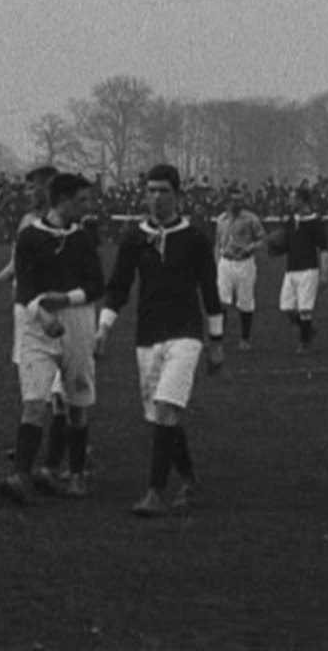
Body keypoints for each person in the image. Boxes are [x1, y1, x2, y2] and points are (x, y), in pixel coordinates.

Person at [96, 165, 224, 518]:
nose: (156, 197)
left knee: (167, 407)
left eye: (163, 191)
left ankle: (154, 492)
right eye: (151, 190)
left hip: (185, 335)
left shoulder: (196, 238)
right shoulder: (133, 238)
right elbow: (119, 286)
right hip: (147, 337)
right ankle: (190, 478)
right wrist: (104, 328)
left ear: (178, 195)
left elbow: (210, 290)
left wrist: (216, 340)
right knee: (161, 417)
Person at [0, 173, 104, 504]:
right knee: (34, 402)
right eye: (82, 200)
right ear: (61, 200)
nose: (89, 206)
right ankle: (21, 477)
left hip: (77, 323)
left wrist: (65, 299)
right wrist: (42, 313)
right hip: (36, 322)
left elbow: (97, 285)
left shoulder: (84, 239)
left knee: (75, 403)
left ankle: (75, 475)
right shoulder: (29, 236)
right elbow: (25, 284)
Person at [0, 165, 69, 493]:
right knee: (33, 385)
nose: (29, 192)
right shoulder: (25, 222)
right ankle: (31, 448)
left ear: (51, 188)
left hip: (54, 310)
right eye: (28, 187)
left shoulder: (67, 223)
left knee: (61, 392)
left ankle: (57, 462)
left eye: (36, 186)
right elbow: (16, 264)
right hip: (26, 309)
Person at [278, 187, 328, 354]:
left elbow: (323, 249)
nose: (289, 201)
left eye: (292, 198)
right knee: (286, 307)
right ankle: (308, 330)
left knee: (305, 309)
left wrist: (324, 273)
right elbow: (287, 242)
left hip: (308, 270)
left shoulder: (315, 221)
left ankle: (304, 344)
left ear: (301, 200)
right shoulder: (291, 219)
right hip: (291, 269)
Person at [214, 185, 266, 351]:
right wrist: (217, 262)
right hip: (225, 263)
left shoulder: (251, 219)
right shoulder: (221, 220)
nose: (236, 204)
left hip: (244, 263)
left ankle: (244, 339)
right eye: (233, 200)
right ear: (227, 201)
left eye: (239, 200)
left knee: (245, 302)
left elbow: (262, 238)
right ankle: (218, 339)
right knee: (221, 301)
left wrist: (250, 247)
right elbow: (217, 243)